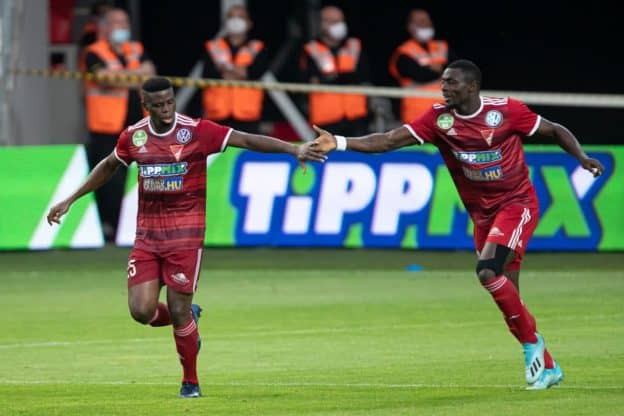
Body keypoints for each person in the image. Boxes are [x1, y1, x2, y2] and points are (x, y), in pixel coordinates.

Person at [310, 59, 605, 390]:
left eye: (451, 82)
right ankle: (548, 367)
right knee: (508, 297)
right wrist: (339, 142)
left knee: (487, 271)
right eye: (443, 82)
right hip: (482, 216)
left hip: (516, 204)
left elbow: (555, 130)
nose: (444, 88)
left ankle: (533, 347)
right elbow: (389, 140)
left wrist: (581, 157)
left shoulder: (506, 111)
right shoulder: (439, 119)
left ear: (472, 86)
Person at [46, 77, 326, 398]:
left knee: (178, 310)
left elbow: (246, 139)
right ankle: (190, 319)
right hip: (147, 238)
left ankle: (190, 381)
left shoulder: (196, 131)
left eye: (170, 102)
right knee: (141, 311)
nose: (166, 109)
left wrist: (293, 149)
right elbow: (109, 165)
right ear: (146, 106)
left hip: (186, 239)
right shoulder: (134, 136)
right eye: (159, 105)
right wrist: (70, 199)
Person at [81, 7, 156, 241]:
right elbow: (103, 78)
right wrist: (135, 76)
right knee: (110, 181)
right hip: (107, 128)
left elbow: (150, 72)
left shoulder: (136, 49)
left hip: (138, 127)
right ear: (104, 27)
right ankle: (110, 227)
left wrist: (121, 77)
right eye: (116, 22)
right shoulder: (93, 52)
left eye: (125, 23)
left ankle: (139, 227)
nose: (122, 27)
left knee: (144, 178)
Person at [300, 5, 371, 136]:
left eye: (340, 21)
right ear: (322, 23)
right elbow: (310, 79)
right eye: (333, 21)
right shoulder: (311, 49)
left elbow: (363, 76)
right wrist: (345, 76)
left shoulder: (354, 45)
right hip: (326, 119)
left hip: (356, 117)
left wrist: (331, 78)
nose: (339, 25)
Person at [202, 4, 269, 133]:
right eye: (231, 17)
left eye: (240, 17)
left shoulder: (258, 47)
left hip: (247, 115)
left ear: (249, 23)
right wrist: (241, 72)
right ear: (225, 22)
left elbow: (256, 73)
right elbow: (208, 74)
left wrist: (225, 69)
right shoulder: (213, 46)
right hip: (217, 114)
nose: (236, 20)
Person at [388, 9, 456, 123]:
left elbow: (459, 68)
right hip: (417, 115)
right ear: (410, 27)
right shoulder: (403, 52)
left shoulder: (442, 46)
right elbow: (419, 75)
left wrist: (436, 69)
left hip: (445, 113)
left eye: (428, 20)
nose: (426, 24)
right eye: (421, 21)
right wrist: (440, 69)